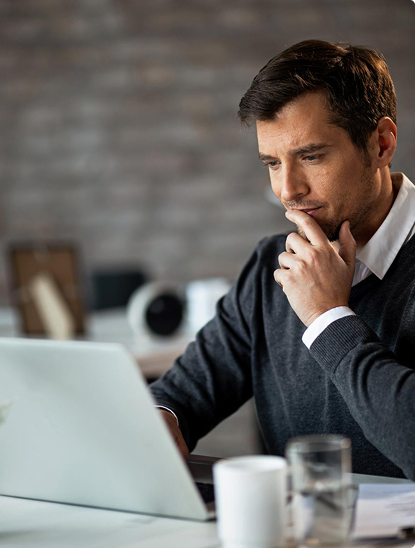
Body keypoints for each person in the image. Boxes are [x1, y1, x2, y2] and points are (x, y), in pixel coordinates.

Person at [150, 39, 415, 480]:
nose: (288, 190)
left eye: (311, 156)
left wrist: (327, 316)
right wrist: (163, 418)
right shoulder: (269, 268)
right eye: (272, 163)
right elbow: (182, 393)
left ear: (382, 144)